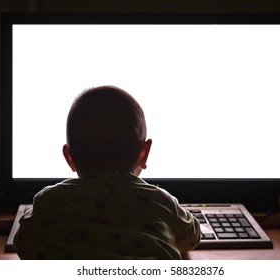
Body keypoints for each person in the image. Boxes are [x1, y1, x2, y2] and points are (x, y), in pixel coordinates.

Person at [13, 85, 200, 259]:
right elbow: (191, 237)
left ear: (69, 157)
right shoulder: (161, 202)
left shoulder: (49, 201)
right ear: (144, 153)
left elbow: (23, 246)